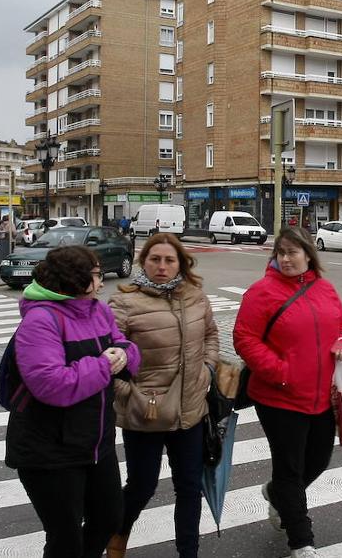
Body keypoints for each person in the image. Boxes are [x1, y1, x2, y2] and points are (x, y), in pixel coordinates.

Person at [5, 245, 141, 558]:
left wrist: (125, 355)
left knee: (109, 517)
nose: (101, 282)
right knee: (65, 536)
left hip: (95, 442)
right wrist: (105, 365)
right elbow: (52, 385)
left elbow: (122, 345)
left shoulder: (98, 310)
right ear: (74, 279)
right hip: (49, 449)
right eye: (95, 275)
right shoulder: (40, 320)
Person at [233, 227, 342, 558]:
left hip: (320, 396)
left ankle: (275, 495)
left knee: (316, 460)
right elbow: (244, 339)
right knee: (289, 468)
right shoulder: (261, 292)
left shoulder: (325, 289)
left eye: (292, 252)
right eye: (280, 253)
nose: (285, 259)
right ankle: (302, 543)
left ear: (308, 255)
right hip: (278, 397)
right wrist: (280, 372)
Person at [105, 233, 218, 558]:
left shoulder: (195, 296)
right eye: (155, 259)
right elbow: (108, 358)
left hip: (190, 411)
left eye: (170, 260)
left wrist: (207, 371)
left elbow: (211, 334)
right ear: (144, 261)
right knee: (142, 487)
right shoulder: (125, 302)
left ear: (180, 263)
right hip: (145, 413)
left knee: (189, 488)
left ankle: (188, 553)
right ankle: (119, 532)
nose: (162, 266)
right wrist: (129, 394)